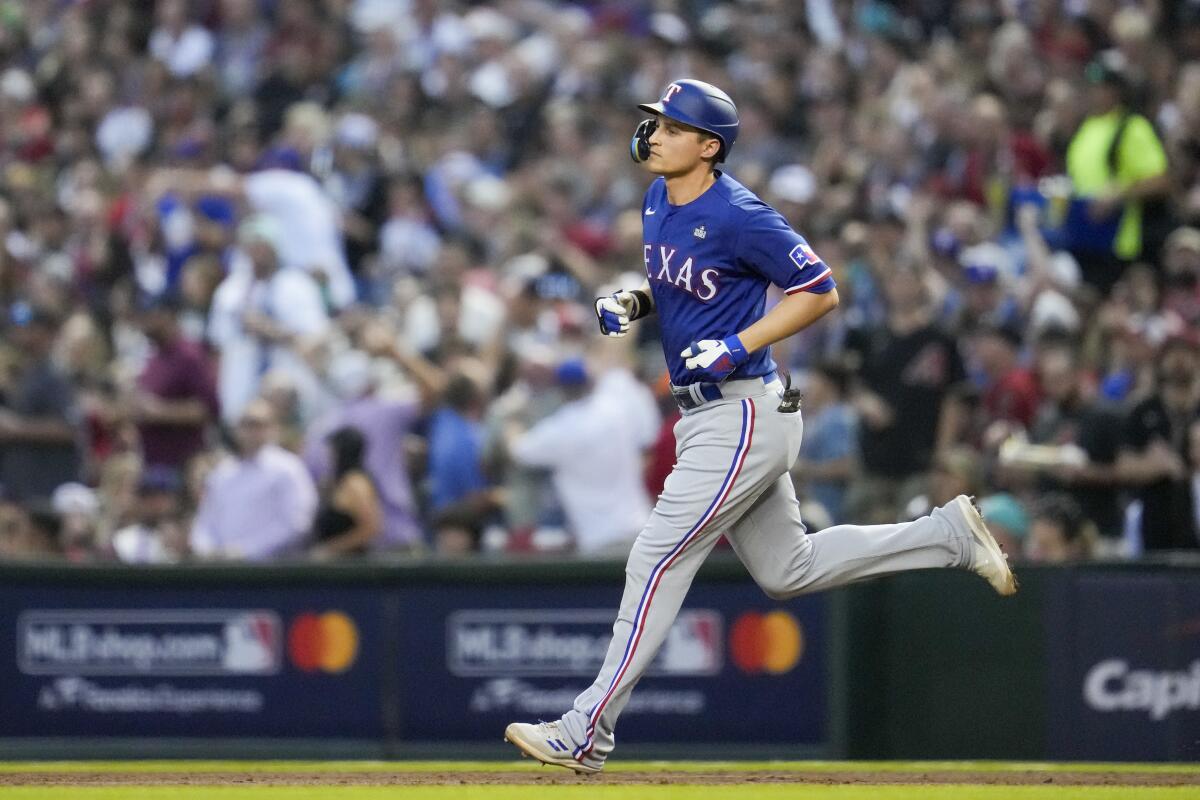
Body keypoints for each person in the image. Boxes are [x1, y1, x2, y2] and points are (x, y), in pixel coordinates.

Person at [503, 79, 1017, 775]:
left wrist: (742, 342)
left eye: (669, 125)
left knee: (656, 557)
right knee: (787, 569)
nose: (652, 133)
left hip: (741, 408)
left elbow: (820, 290)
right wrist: (634, 297)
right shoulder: (659, 198)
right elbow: (685, 280)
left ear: (708, 146)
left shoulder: (741, 212)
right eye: (652, 121)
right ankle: (945, 535)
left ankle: (586, 729)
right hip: (712, 415)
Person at [189, 399, 317, 560]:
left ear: (273, 428)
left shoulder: (288, 469)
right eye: (245, 424)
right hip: (222, 571)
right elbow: (205, 522)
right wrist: (207, 550)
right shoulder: (223, 473)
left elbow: (297, 524)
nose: (251, 431)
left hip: (273, 571)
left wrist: (246, 551)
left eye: (258, 424)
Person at [310, 426, 382, 558]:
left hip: (352, 566)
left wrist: (331, 548)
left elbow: (371, 527)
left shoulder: (355, 484)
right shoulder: (335, 482)